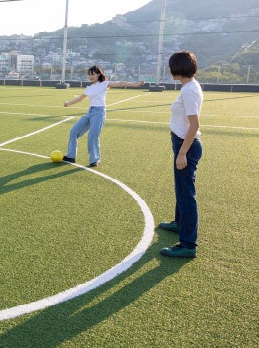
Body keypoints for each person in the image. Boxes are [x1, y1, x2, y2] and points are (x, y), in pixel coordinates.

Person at [157, 51, 203, 258]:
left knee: (186, 195)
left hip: (187, 145)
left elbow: (195, 124)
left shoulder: (188, 90)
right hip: (183, 143)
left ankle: (188, 245)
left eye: (171, 65)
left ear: (178, 67)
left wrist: (183, 152)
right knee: (181, 189)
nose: (169, 69)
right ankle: (179, 223)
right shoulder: (189, 87)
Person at [60, 66, 147, 167]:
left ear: (98, 74)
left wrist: (136, 85)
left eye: (93, 74)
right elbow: (80, 98)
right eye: (89, 74)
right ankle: (71, 156)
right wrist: (68, 103)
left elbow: (121, 83)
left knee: (92, 136)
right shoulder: (89, 88)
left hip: (99, 113)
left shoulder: (104, 84)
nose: (90, 76)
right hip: (90, 112)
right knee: (73, 131)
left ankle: (94, 159)